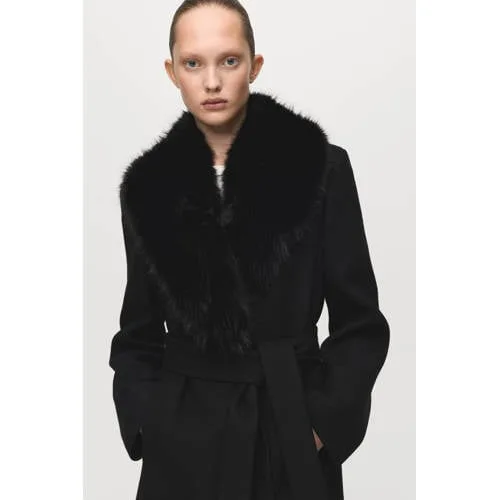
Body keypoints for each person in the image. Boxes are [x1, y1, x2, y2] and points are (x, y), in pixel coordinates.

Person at [108, 1, 390, 499]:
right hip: (182, 446)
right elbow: (137, 334)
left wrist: (318, 426)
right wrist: (151, 422)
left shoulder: (321, 169)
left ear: (254, 66)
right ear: (172, 72)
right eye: (193, 63)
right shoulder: (148, 189)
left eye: (229, 60)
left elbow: (360, 323)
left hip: (289, 427)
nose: (211, 81)